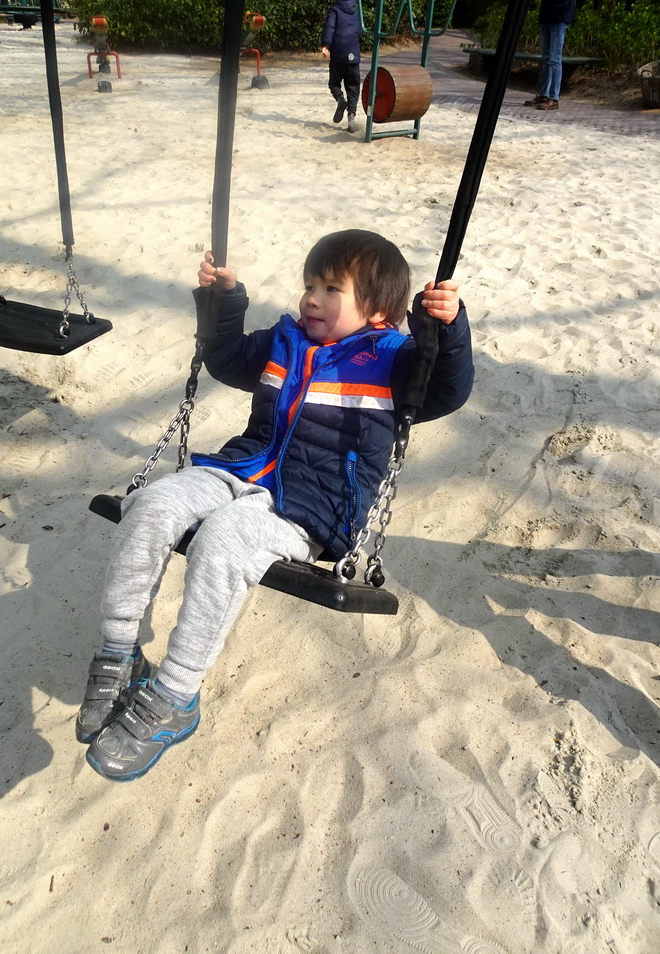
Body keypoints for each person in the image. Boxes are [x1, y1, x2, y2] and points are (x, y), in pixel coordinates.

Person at [76, 229, 474, 782]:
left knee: (224, 540)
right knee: (151, 503)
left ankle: (175, 695)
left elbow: (447, 389)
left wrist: (446, 328)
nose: (312, 298)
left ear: (381, 311)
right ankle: (119, 654)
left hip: (313, 505)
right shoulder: (284, 341)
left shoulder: (396, 362)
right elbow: (225, 360)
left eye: (332, 288)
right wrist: (225, 301)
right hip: (242, 468)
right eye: (310, 284)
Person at [524, 0, 585, 112]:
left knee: (554, 59)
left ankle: (554, 97)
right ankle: (543, 94)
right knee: (544, 58)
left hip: (561, 12)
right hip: (547, 11)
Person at [321, 0, 361, 134]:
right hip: (353, 54)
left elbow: (330, 28)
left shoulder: (335, 10)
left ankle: (340, 100)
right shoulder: (356, 11)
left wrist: (326, 45)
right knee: (353, 87)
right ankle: (351, 116)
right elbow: (359, 30)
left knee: (334, 83)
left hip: (338, 54)